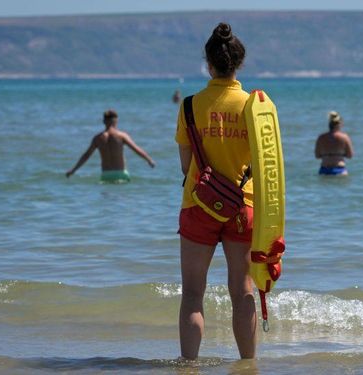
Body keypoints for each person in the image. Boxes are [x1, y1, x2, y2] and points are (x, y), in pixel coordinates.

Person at [175, 23, 256, 360]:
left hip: (199, 205)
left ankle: (189, 366)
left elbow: (185, 166)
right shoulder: (256, 106)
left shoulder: (190, 106)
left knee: (194, 293)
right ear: (239, 63)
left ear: (208, 64)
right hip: (244, 206)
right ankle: (249, 365)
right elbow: (269, 168)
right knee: (243, 291)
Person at [66, 109, 155, 182]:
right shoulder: (122, 136)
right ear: (116, 121)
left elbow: (86, 155)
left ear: (103, 121)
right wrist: (149, 159)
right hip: (121, 174)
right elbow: (136, 149)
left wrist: (73, 170)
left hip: (106, 175)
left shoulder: (97, 138)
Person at [315, 111, 354, 175]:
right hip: (339, 169)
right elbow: (350, 155)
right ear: (339, 124)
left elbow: (317, 156)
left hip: (324, 169)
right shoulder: (344, 137)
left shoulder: (321, 137)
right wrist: (339, 154)